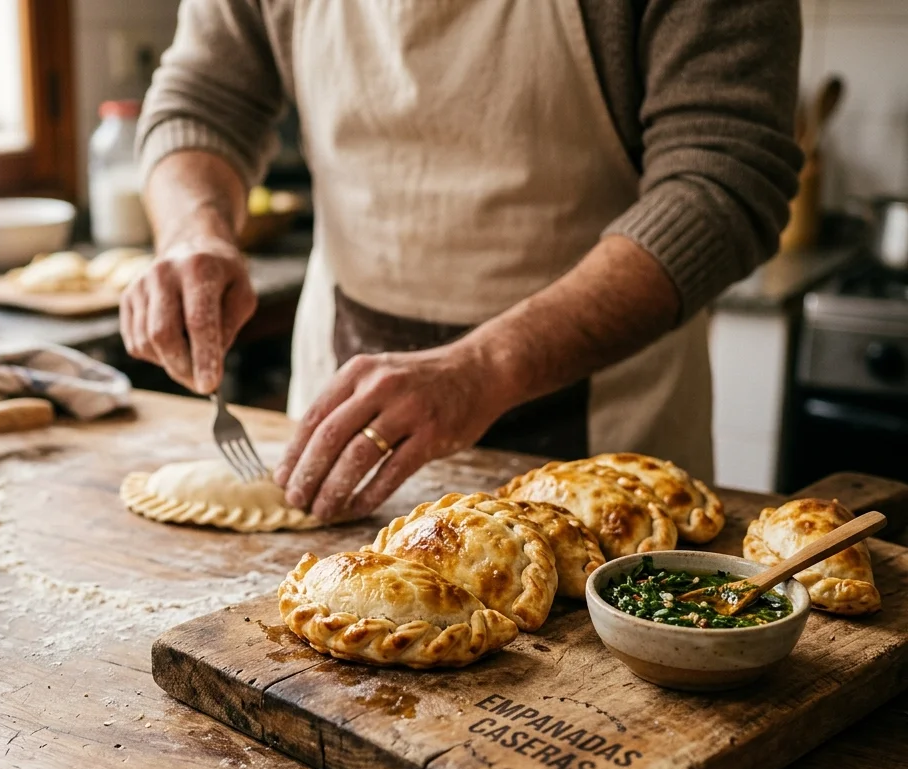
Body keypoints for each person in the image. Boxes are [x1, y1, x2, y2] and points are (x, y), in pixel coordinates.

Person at [121, 0, 802, 522]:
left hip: (608, 437)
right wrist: (193, 230)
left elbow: (724, 177)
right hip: (344, 422)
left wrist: (484, 366)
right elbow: (203, 99)